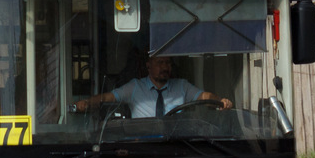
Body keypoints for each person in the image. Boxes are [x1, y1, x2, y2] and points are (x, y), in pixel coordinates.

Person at [74, 55, 232, 116]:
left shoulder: (182, 86)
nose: (165, 67)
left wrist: (220, 101)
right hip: (143, 147)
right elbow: (107, 97)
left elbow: (205, 96)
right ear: (148, 66)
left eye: (168, 63)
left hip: (178, 144)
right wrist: (87, 103)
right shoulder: (135, 87)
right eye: (160, 63)